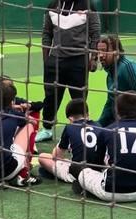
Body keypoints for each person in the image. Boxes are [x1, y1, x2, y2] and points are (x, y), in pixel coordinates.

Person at [35, 0, 101, 142]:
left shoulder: (88, 5)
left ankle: (79, 131)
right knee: (51, 96)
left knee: (79, 99)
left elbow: (95, 34)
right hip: (55, 61)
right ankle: (47, 129)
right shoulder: (52, 6)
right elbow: (46, 33)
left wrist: (93, 58)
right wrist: (46, 60)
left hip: (78, 61)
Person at [71, 92, 136, 202]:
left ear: (116, 111)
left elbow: (96, 164)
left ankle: (85, 186)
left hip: (111, 192)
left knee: (76, 167)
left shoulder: (107, 130)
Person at [38, 98, 106, 182]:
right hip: (99, 171)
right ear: (88, 114)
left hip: (77, 172)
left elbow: (56, 156)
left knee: (43, 157)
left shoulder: (70, 127)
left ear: (70, 119)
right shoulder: (99, 126)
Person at [97, 35, 136, 127]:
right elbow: (110, 102)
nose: (100, 55)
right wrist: (98, 125)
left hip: (134, 124)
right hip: (120, 122)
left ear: (117, 52)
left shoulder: (128, 67)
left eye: (105, 51)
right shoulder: (110, 73)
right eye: (98, 51)